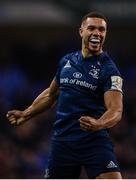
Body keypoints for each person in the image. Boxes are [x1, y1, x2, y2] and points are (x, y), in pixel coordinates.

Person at [6, 11, 123, 179]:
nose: (97, 33)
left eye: (101, 30)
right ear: (81, 31)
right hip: (63, 142)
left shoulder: (110, 70)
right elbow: (51, 95)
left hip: (94, 142)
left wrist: (98, 123)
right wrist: (26, 113)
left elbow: (116, 110)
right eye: (91, 28)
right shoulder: (67, 61)